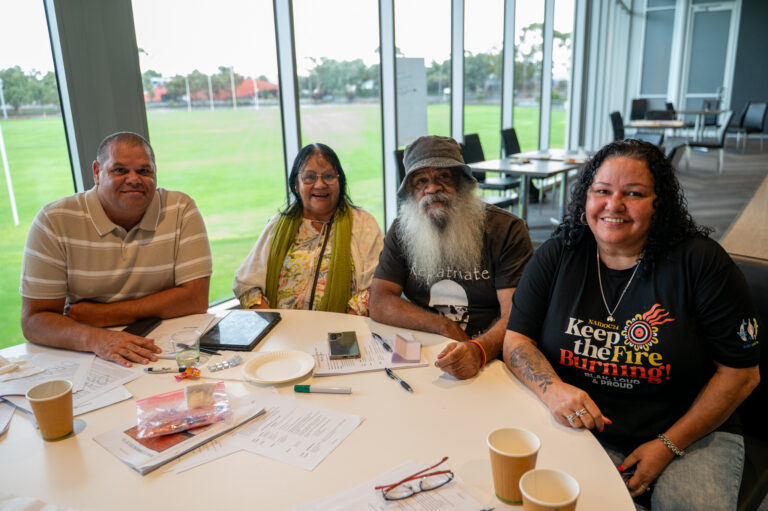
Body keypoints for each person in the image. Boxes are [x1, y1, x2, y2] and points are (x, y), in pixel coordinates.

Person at [503, 139, 760, 510]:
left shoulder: (701, 263)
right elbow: (517, 340)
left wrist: (668, 444)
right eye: (602, 190)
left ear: (659, 203)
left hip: (692, 430)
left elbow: (742, 374)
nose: (614, 205)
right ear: (586, 197)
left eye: (634, 193)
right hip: (586, 426)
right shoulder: (559, 253)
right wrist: (553, 390)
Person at [20, 132, 213, 367]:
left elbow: (194, 299)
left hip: (165, 348)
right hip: (91, 351)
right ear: (96, 173)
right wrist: (98, 340)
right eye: (119, 170)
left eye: (144, 171)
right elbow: (34, 320)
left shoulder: (181, 209)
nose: (134, 179)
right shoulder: (54, 221)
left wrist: (102, 315)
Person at [370, 135, 533, 380]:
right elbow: (380, 301)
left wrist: (478, 350)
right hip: (425, 352)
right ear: (411, 191)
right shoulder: (401, 231)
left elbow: (517, 314)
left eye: (443, 178)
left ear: (462, 182)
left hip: (493, 353)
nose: (432, 189)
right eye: (421, 181)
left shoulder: (506, 230)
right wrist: (443, 326)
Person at [234, 143, 383, 315]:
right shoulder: (278, 225)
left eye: (328, 176)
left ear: (340, 181)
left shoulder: (363, 223)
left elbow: (375, 288)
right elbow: (246, 286)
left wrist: (342, 334)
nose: (320, 185)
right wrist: (272, 325)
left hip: (341, 335)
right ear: (296, 185)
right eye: (309, 177)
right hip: (283, 335)